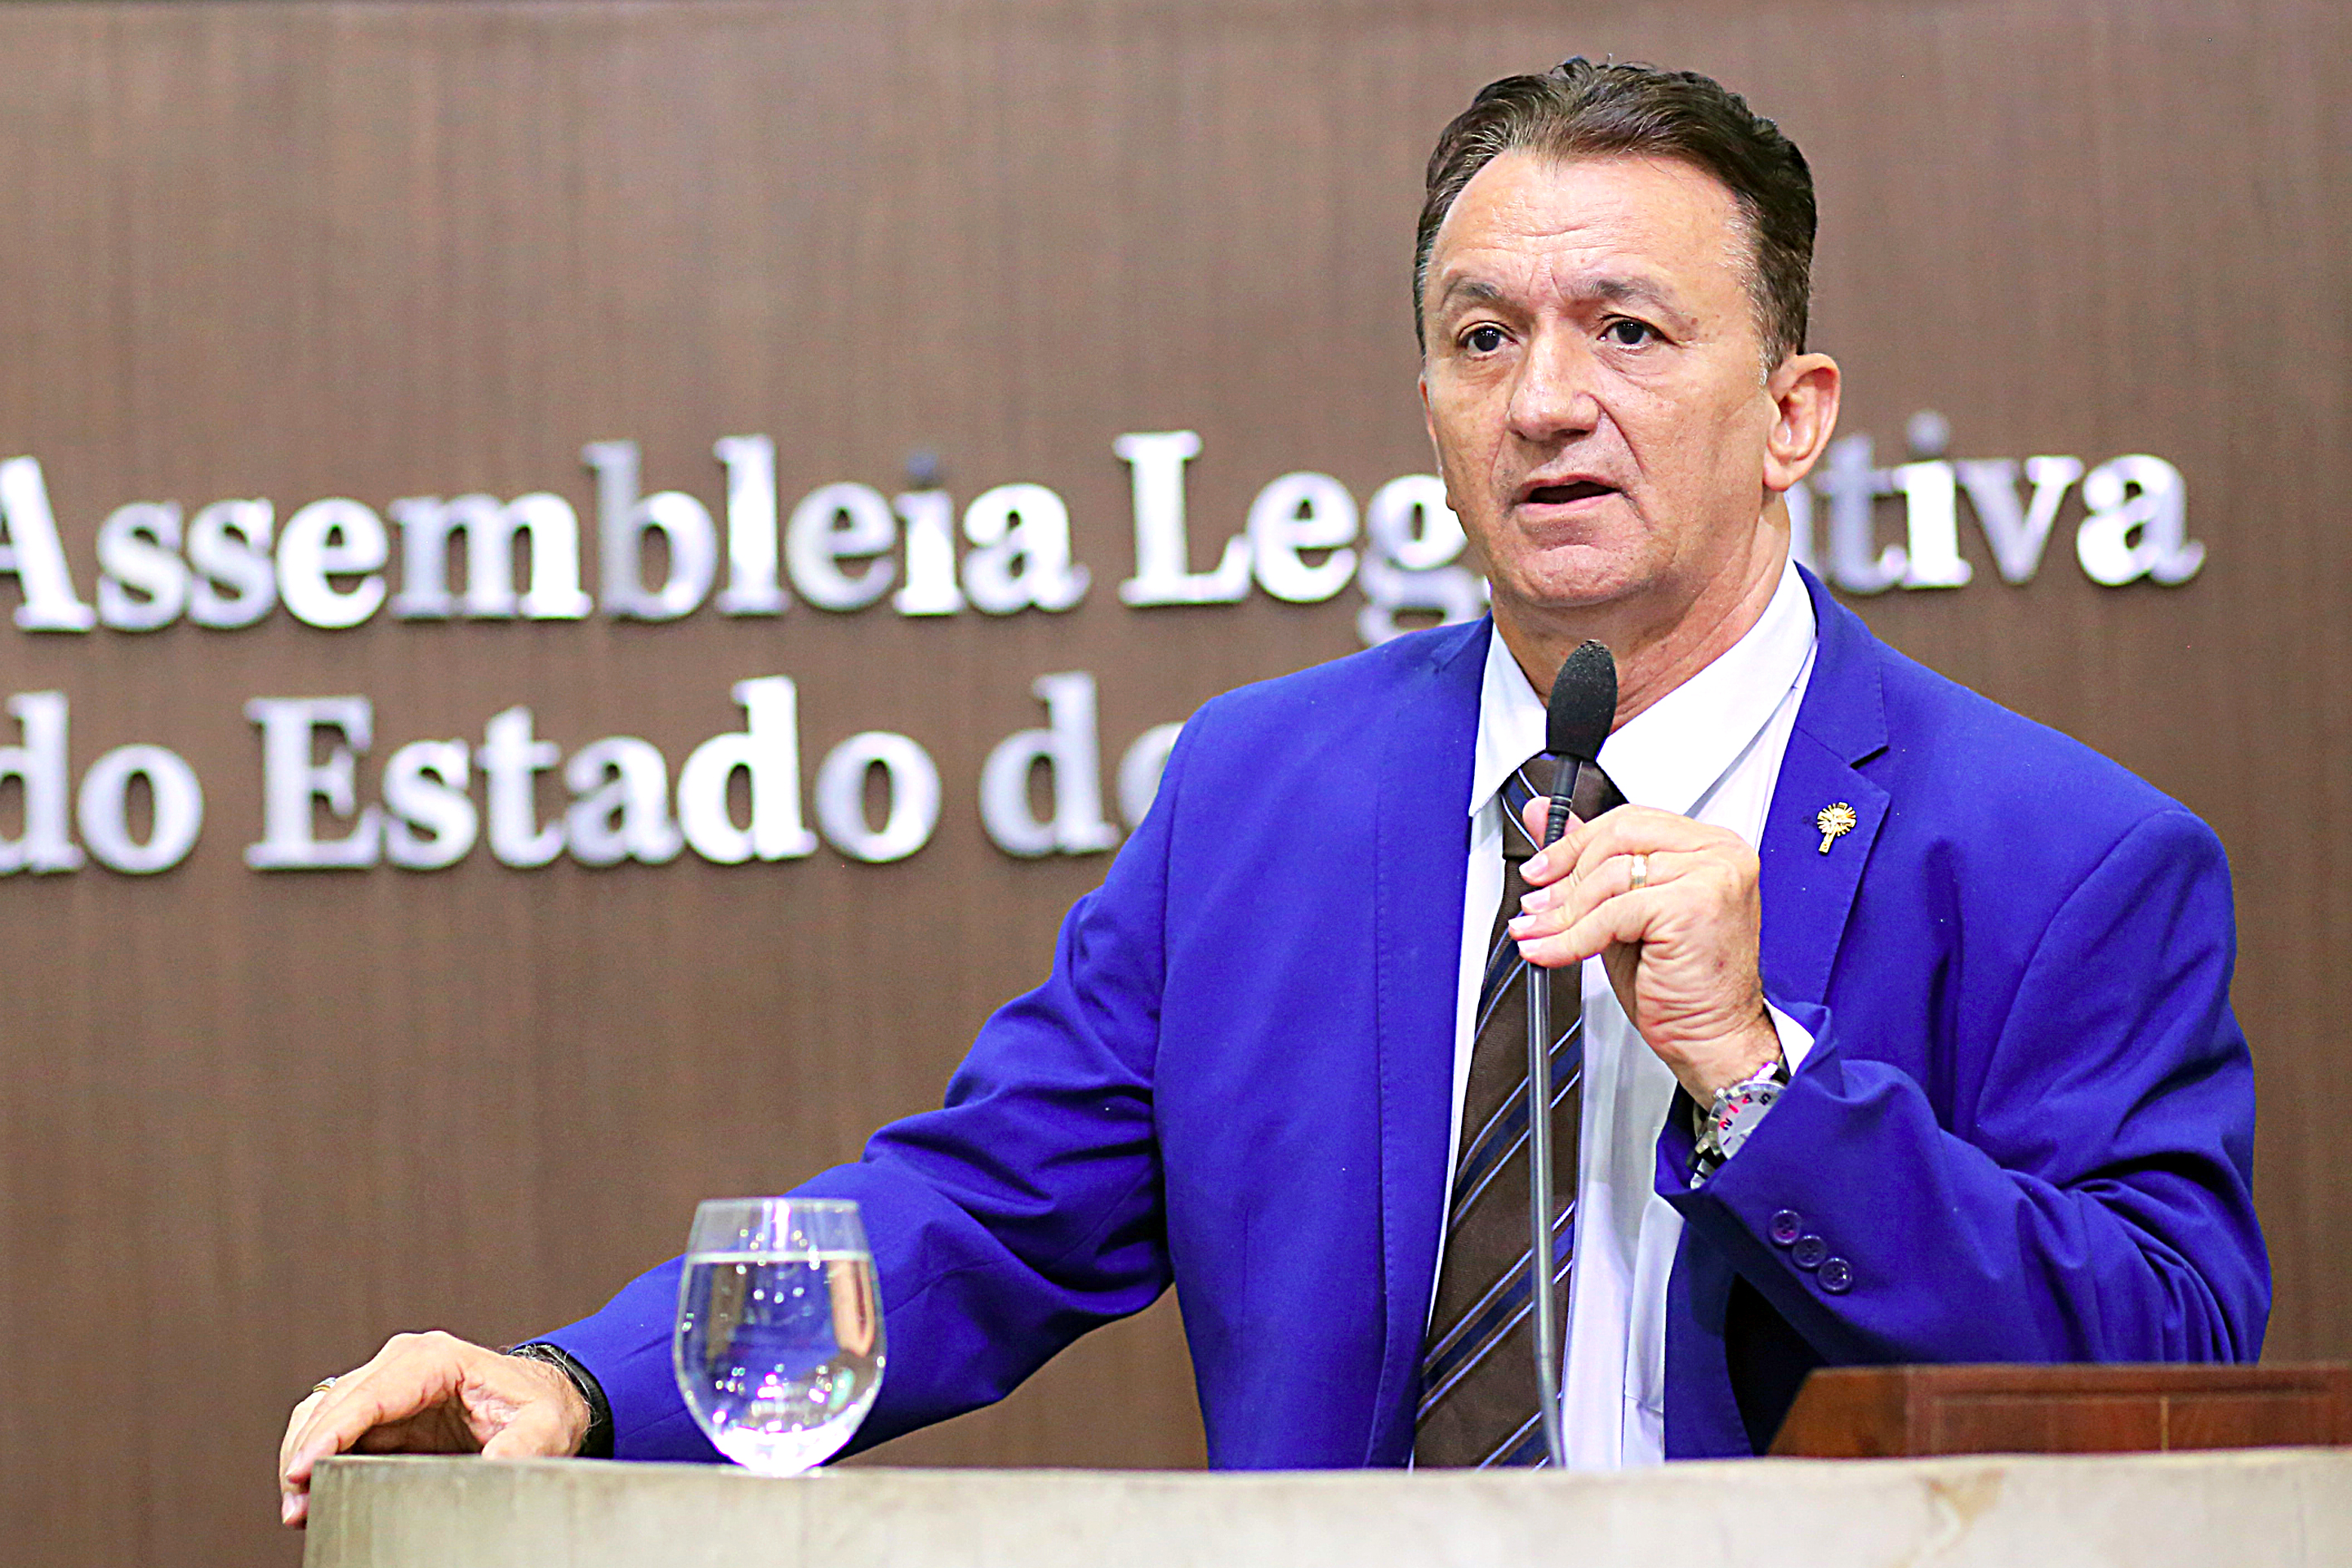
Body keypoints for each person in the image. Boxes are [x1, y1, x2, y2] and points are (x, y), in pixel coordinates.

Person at [279, 58, 2267, 1523]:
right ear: (1430, 407)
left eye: (1629, 332)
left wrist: (1759, 1079)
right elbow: (987, 1205)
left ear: (1793, 415)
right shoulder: (1263, 793)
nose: (1547, 400)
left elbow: (2169, 1362)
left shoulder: (2064, 855)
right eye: (1483, 338)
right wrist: (577, 1386)